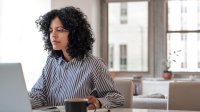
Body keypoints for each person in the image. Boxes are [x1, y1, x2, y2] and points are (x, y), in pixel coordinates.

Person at [30, 6, 125, 109]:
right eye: (50, 30)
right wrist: (19, 101)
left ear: (75, 33)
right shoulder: (51, 61)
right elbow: (39, 95)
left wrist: (98, 102)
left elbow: (117, 98)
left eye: (60, 30)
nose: (53, 35)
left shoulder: (94, 64)